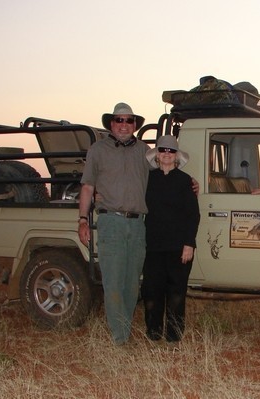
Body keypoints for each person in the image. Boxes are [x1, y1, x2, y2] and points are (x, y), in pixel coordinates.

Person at [78, 102, 149, 346]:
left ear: (135, 125)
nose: (124, 125)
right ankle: (119, 337)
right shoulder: (98, 150)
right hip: (111, 222)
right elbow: (87, 187)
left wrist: (190, 183)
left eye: (129, 120)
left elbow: (164, 172)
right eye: (119, 120)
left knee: (132, 284)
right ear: (111, 123)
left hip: (138, 225)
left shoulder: (144, 151)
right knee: (113, 282)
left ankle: (124, 328)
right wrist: (82, 220)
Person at [142, 135, 200, 343]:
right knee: (152, 291)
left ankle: (174, 335)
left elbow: (193, 215)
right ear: (157, 155)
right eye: (163, 150)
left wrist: (189, 243)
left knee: (176, 293)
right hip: (152, 246)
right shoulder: (146, 180)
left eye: (171, 151)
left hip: (178, 247)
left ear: (176, 157)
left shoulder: (186, 182)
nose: (166, 154)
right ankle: (153, 333)